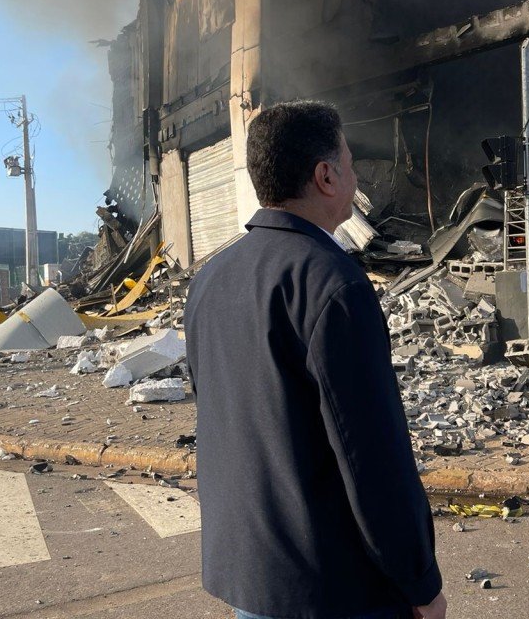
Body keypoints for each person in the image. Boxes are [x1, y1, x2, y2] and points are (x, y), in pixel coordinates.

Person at [186, 101, 445, 619]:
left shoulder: (209, 279)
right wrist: (419, 582)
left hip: (250, 580)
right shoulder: (333, 284)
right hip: (332, 589)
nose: (355, 174)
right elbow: (371, 458)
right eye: (348, 162)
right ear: (326, 177)